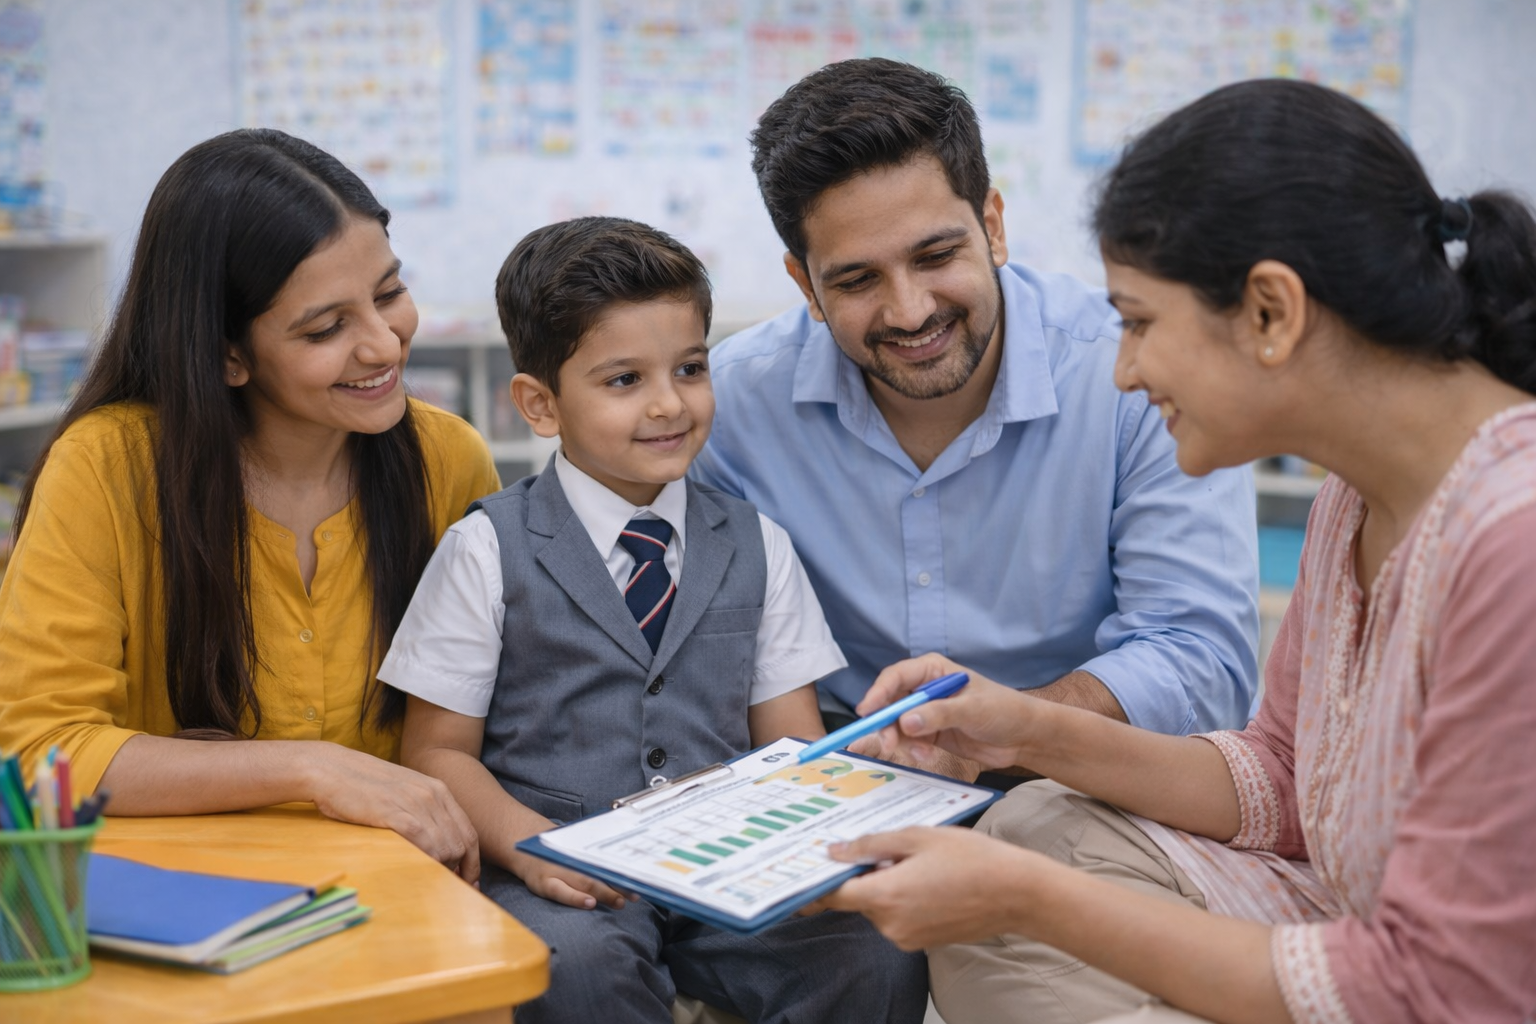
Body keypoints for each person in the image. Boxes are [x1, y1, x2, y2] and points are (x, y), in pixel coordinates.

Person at [815, 79, 1536, 1024]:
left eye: (1141, 322)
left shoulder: (1512, 541)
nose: (1123, 368)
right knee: (1034, 825)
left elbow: (1445, 990)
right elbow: (1287, 782)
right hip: (1354, 917)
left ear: (1272, 312)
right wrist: (1025, 730)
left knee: (1017, 895)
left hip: (1435, 990)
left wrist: (1025, 899)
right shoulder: (1353, 499)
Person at [383, 216, 926, 1024]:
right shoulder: (484, 549)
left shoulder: (758, 541)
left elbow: (791, 745)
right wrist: (533, 850)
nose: (670, 404)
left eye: (692, 368)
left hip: (727, 862)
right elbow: (435, 753)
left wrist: (813, 834)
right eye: (624, 380)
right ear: (539, 404)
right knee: (573, 966)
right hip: (557, 863)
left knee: (873, 951)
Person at [693, 58, 1259, 750]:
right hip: (846, 767)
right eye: (857, 279)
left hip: (1088, 772)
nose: (909, 311)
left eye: (935, 256)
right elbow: (711, 652)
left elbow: (1203, 663)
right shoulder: (732, 406)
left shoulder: (1136, 379)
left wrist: (1008, 734)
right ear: (805, 284)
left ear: (992, 225)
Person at [0, 129, 497, 876]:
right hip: (185, 889)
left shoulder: (448, 459)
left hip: (402, 885)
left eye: (390, 293)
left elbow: (503, 712)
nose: (385, 346)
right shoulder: (106, 468)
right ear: (226, 352)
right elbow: (42, 751)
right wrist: (309, 769)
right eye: (327, 328)